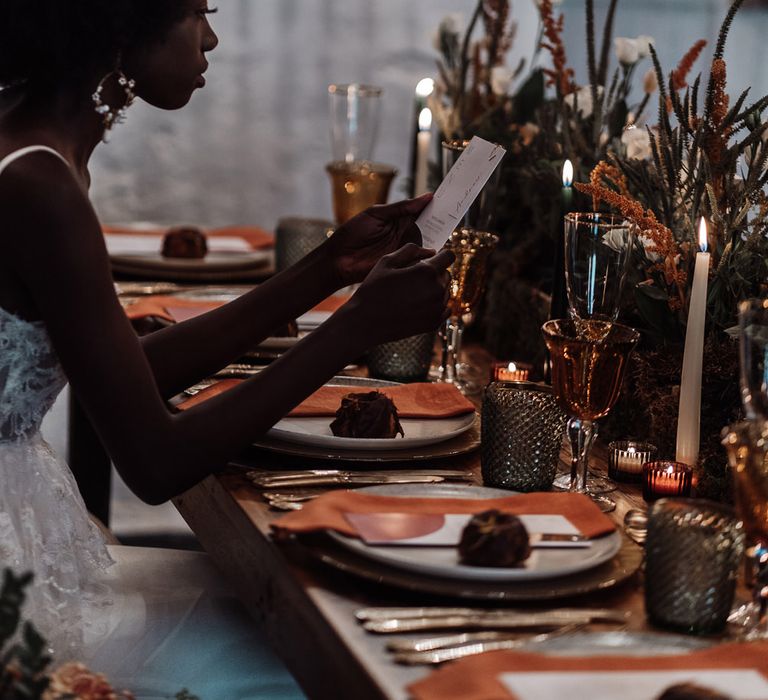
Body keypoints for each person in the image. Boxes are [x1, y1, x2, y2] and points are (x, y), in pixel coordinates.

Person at [0, 0, 452, 696]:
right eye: (198, 12)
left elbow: (125, 373)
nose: (211, 37)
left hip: (19, 525)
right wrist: (351, 330)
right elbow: (153, 462)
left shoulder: (35, 149)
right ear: (120, 27)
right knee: (304, 653)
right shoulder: (40, 185)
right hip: (12, 589)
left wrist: (326, 270)